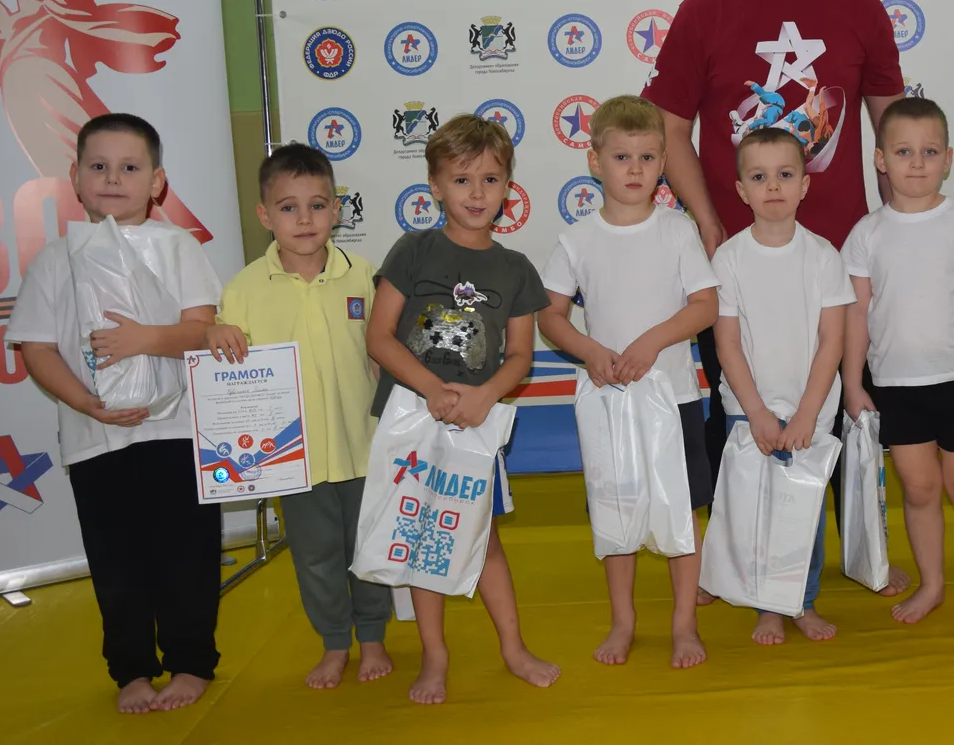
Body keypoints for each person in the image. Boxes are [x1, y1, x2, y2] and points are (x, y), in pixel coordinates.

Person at [640, 0, 910, 596]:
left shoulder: (861, 9)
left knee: (844, 402)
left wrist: (898, 227)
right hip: (735, 260)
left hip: (838, 256)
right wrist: (707, 220)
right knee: (740, 409)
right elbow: (668, 130)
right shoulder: (704, 10)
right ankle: (733, 560)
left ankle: (851, 554)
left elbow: (892, 129)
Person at [5, 113, 223, 714]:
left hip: (177, 432)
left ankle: (191, 661)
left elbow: (201, 331)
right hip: (94, 438)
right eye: (98, 166)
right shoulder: (56, 259)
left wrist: (144, 340)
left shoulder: (178, 247)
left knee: (187, 553)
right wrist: (85, 404)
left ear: (157, 182)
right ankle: (131, 670)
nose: (112, 179)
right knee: (116, 560)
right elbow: (37, 348)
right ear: (75, 177)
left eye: (129, 167)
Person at [364, 114, 558, 704]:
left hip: (476, 424)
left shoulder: (515, 268)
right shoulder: (414, 250)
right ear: (435, 186)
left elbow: (520, 356)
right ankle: (435, 655)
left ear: (508, 189)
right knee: (423, 536)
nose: (477, 193)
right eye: (462, 179)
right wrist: (431, 389)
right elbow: (379, 337)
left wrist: (483, 395)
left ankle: (513, 648)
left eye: (490, 180)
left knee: (485, 537)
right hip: (411, 420)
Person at [536, 96, 720, 669]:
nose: (635, 170)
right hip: (609, 403)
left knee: (682, 513)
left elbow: (705, 306)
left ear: (663, 162)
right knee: (615, 514)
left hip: (674, 399)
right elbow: (550, 316)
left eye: (646, 157)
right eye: (621, 157)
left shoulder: (678, 231)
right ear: (595, 161)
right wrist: (590, 350)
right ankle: (623, 621)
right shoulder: (577, 239)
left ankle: (684, 623)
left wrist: (653, 342)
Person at [204, 144, 393, 689]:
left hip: (364, 445)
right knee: (314, 556)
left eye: (317, 205)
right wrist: (215, 332)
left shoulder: (365, 276)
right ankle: (334, 643)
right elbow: (225, 366)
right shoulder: (243, 289)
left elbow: (384, 354)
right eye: (288, 208)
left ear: (337, 210)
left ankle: (372, 636)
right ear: (265, 216)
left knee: (368, 546)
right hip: (292, 457)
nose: (304, 219)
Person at [841, 97, 954, 628]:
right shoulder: (866, 233)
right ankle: (932, 584)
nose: (917, 163)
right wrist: (852, 381)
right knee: (918, 491)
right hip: (896, 385)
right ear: (880, 160)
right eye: (903, 151)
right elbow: (856, 314)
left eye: (929, 151)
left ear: (948, 159)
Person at [0, 0, 209, 239]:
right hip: (19, 101)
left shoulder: (57, 3)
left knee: (93, 160)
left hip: (52, 89)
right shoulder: (10, 21)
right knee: (58, 169)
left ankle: (164, 231)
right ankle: (94, 237)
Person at [710, 126, 856, 644]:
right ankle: (764, 606)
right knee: (756, 511)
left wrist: (807, 414)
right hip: (747, 409)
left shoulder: (824, 256)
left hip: (809, 410)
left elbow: (832, 342)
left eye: (785, 174)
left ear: (804, 185)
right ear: (741, 190)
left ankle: (800, 601)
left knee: (803, 513)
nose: (773, 186)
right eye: (759, 177)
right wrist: (755, 413)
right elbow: (727, 345)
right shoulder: (727, 259)